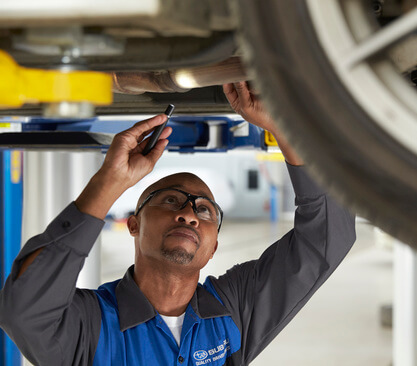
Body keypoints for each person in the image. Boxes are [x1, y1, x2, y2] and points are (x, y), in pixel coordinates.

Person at [0, 82, 356, 365]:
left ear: (213, 244)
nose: (188, 213)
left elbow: (328, 236)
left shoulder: (232, 311)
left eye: (205, 210)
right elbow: (24, 309)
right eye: (170, 200)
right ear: (134, 225)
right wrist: (109, 182)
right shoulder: (93, 324)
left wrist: (282, 125)